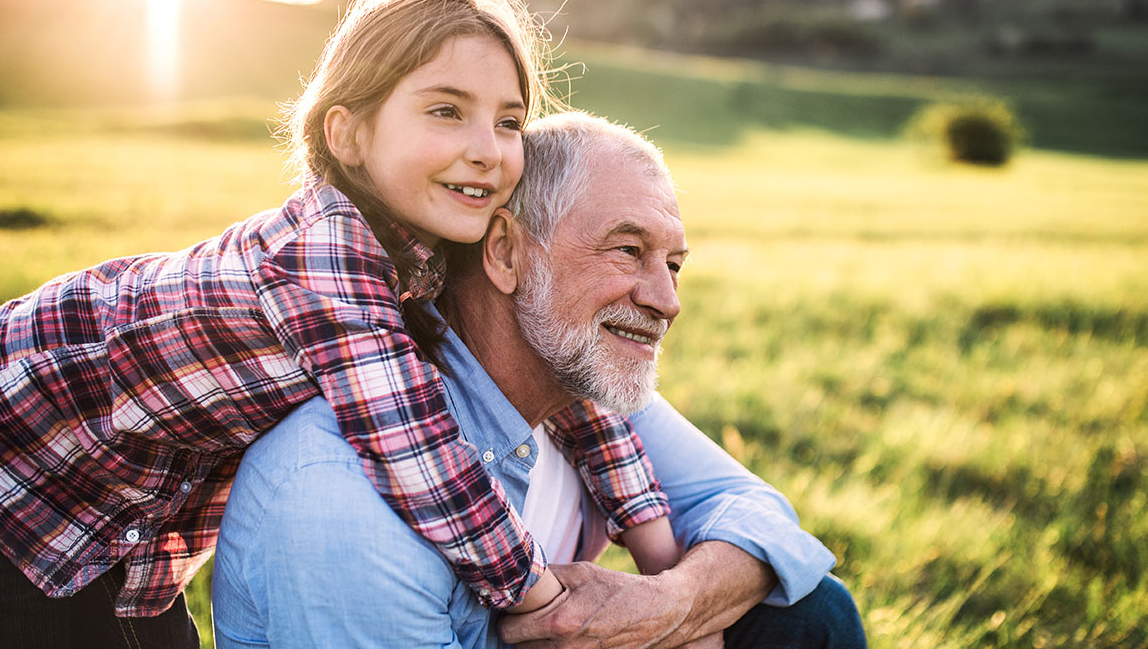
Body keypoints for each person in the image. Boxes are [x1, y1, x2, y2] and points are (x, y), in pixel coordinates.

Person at [0, 1, 682, 646]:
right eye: (447, 110)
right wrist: (537, 593)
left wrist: (657, 547)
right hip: (26, 473)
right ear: (348, 135)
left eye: (507, 121)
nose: (487, 150)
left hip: (129, 516)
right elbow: (419, 452)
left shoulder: (428, 240)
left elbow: (566, 384)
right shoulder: (324, 260)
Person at [212, 112, 867, 648]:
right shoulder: (342, 493)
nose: (667, 300)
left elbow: (768, 521)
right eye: (628, 249)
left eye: (674, 263)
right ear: (504, 252)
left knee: (813, 614)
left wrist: (668, 604)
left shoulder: (582, 390)